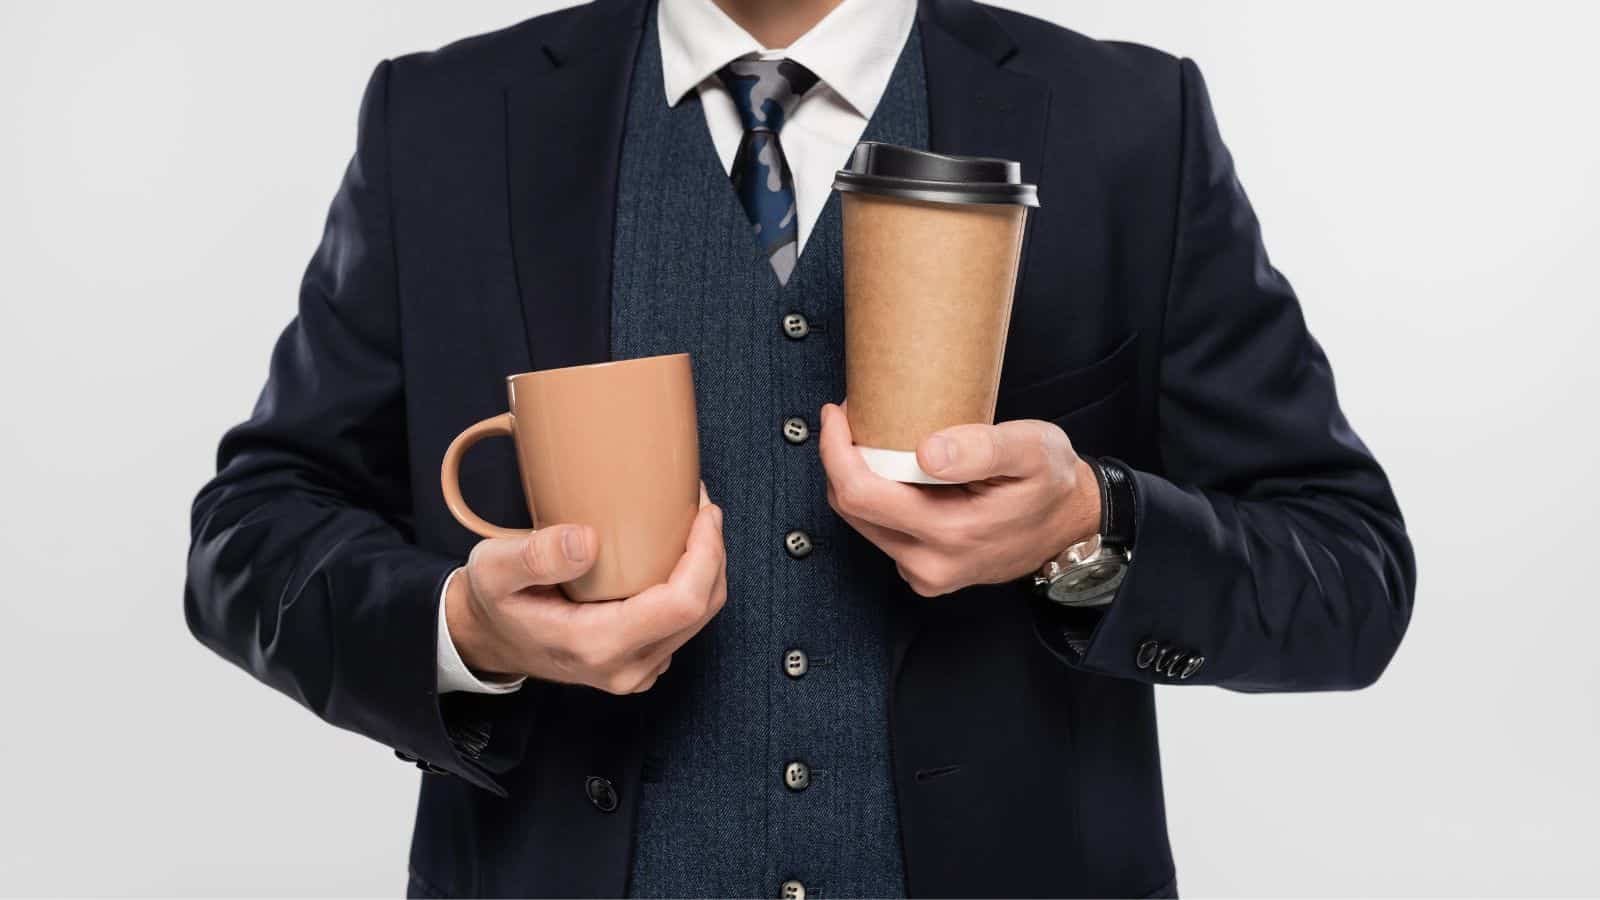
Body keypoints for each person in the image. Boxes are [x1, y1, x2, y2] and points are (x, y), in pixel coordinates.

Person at [184, 0, 1416, 896]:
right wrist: (466, 633)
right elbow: (252, 532)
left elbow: (1348, 573)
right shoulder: (444, 119)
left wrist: (1091, 527)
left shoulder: (1127, 122)